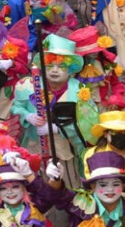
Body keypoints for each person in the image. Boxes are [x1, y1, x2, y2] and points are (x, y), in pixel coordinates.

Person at [11, 34, 91, 189]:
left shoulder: (80, 90)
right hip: (35, 148)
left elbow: (88, 122)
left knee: (68, 186)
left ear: (70, 71)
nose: (55, 71)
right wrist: (27, 115)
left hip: (66, 150)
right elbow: (16, 107)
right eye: (50, 66)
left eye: (61, 67)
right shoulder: (28, 85)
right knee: (38, 186)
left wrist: (57, 128)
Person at [68, 26, 125, 111]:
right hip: (81, 108)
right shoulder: (73, 67)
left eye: (96, 49)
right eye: (90, 52)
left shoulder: (108, 61)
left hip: (105, 107)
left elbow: (117, 84)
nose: (95, 52)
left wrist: (115, 100)